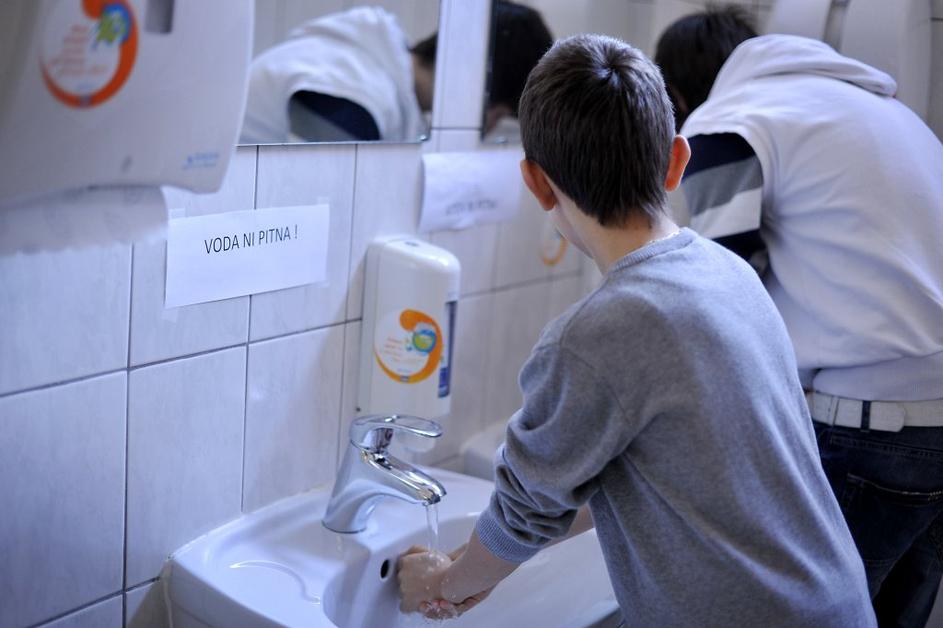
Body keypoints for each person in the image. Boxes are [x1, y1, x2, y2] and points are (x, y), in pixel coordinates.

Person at [397, 34, 875, 627]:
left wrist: (445, 582)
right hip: (834, 602)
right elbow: (610, 479)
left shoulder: (597, 334)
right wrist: (474, 563)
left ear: (536, 182)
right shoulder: (730, 274)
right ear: (677, 161)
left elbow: (525, 511)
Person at [655, 7, 943, 627]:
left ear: (673, 97)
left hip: (876, 425)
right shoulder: (879, 111)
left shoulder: (728, 122)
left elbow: (722, 292)